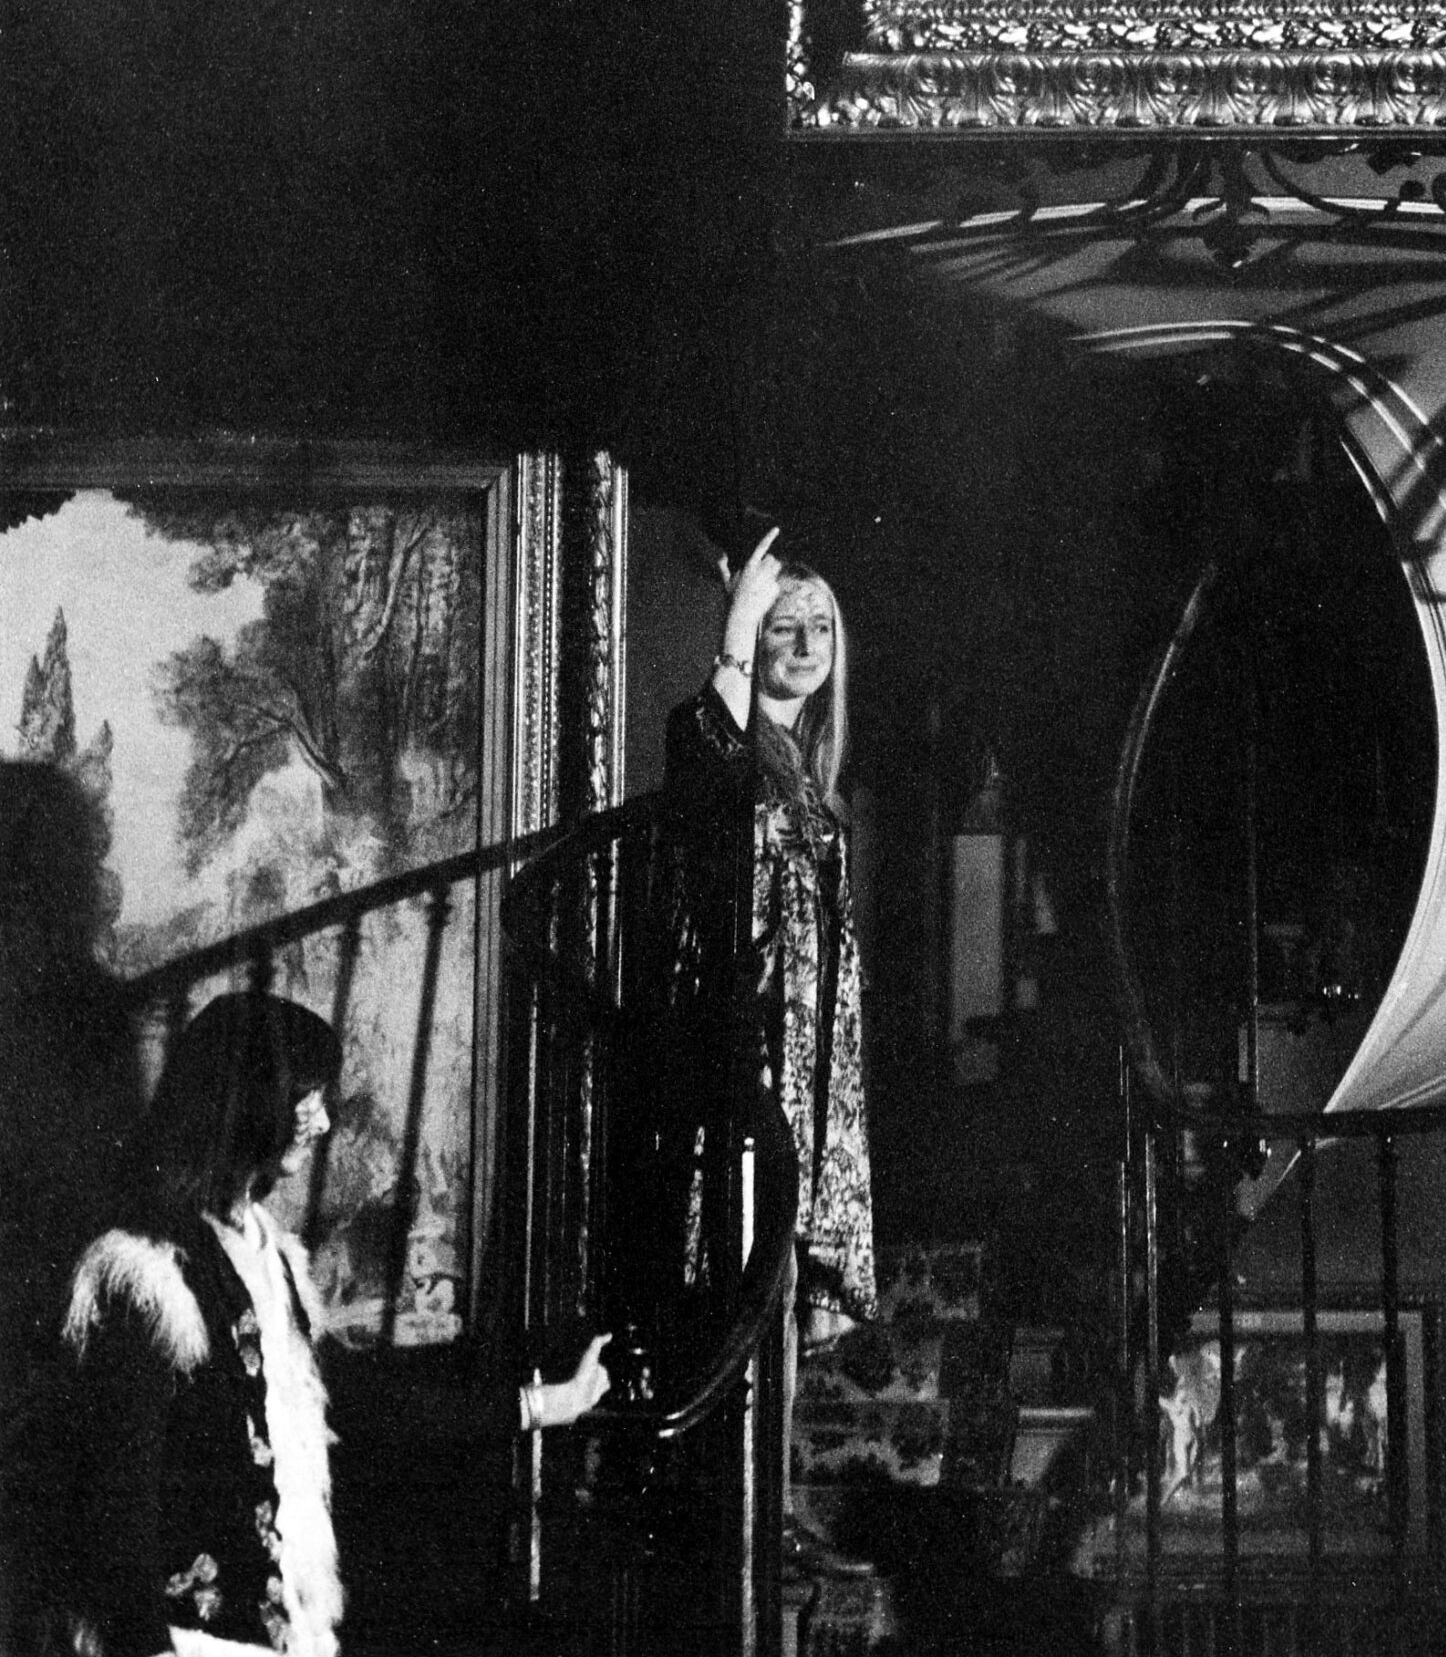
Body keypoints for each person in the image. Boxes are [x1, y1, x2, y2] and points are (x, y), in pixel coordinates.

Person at [54, 992, 609, 1657]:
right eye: (305, 1098)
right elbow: (116, 1503)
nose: (321, 1122)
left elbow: (351, 1400)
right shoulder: (143, 1273)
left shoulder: (269, 1250)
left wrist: (546, 1405)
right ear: (248, 1101)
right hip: (190, 1640)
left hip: (283, 1633)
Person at [658, 530, 876, 1572]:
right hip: (750, 1054)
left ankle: (770, 1499)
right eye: (785, 627)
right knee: (745, 1270)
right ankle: (737, 1513)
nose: (805, 644)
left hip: (813, 1062)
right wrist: (736, 629)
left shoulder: (811, 776)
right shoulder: (735, 748)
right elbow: (699, 750)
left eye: (818, 627)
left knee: (783, 1275)